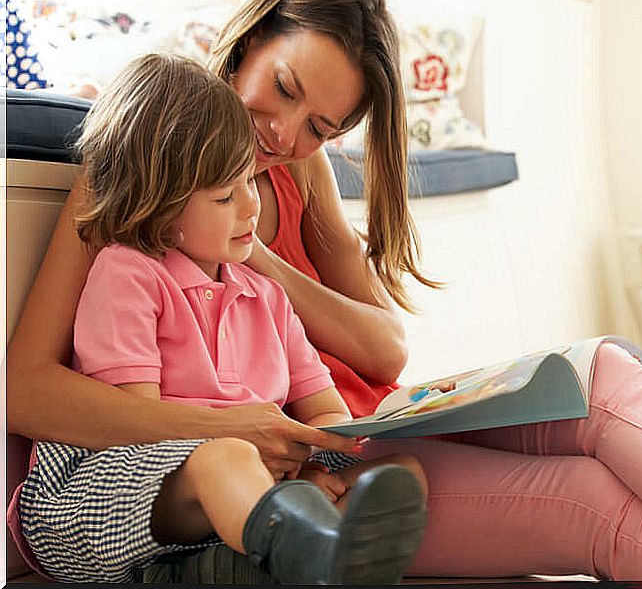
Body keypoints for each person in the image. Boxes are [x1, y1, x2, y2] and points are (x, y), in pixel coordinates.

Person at [7, 0, 642, 585]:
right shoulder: (147, 160)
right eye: (284, 91)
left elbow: (382, 343)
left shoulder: (288, 176)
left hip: (348, 432)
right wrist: (260, 428)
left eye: (323, 129)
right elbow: (28, 388)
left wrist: (259, 258)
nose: (284, 137)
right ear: (250, 38)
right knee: (592, 504)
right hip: (283, 462)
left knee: (600, 375)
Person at [8, 54, 428, 585]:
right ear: (159, 205)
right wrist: (257, 460)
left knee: (401, 471)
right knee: (222, 458)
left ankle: (255, 562)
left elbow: (324, 413)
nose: (251, 208)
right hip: (99, 496)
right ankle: (304, 548)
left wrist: (312, 464)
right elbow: (141, 429)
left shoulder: (268, 297)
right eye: (227, 196)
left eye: (250, 184)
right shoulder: (129, 274)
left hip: (234, 491)